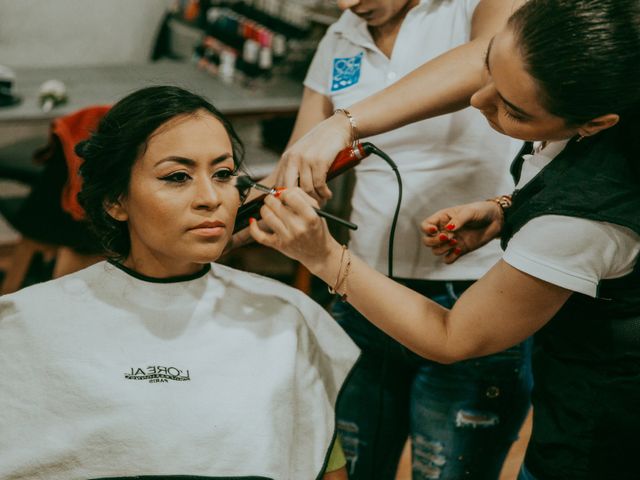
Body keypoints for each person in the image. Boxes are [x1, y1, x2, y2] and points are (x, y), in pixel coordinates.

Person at [248, 1, 640, 478]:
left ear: (595, 123)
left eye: (513, 111)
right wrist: (506, 209)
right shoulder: (582, 137)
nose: (478, 100)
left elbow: (453, 337)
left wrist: (323, 255)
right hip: (371, 294)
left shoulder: (582, 217)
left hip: (589, 438)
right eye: (488, 70)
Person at [0, 86, 357, 480]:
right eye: (177, 177)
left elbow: (324, 466)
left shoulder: (287, 320)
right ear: (116, 201)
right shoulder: (29, 324)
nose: (210, 197)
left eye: (223, 174)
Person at [273, 0, 530, 478]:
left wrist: (344, 121)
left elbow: (487, 58)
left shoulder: (473, 8)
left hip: (473, 292)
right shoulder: (341, 36)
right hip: (362, 289)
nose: (347, 3)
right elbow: (295, 162)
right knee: (351, 467)